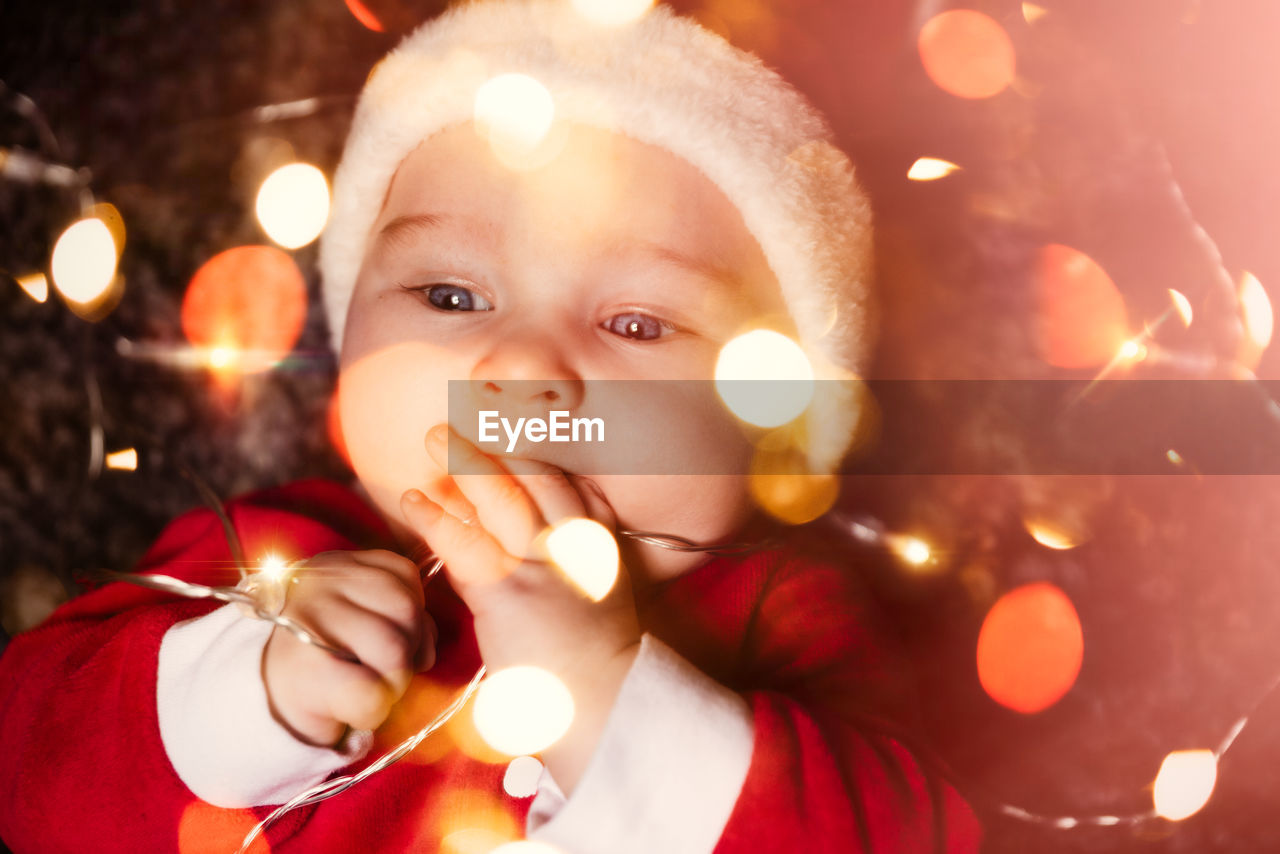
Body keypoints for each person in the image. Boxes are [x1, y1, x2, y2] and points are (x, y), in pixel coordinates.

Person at [0, 1, 981, 851]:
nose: (519, 371)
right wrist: (237, 694)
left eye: (635, 322)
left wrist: (592, 686)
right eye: (450, 294)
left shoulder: (781, 616)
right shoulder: (274, 553)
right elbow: (27, 770)